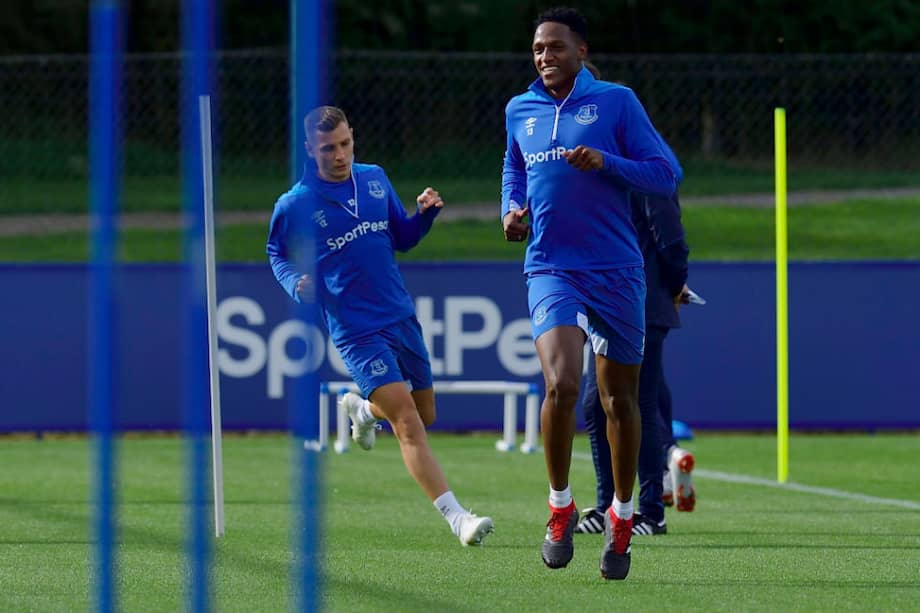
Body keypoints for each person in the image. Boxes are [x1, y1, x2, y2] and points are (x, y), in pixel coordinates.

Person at [501, 7, 676, 580]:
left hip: (617, 270)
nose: (544, 57)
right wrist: (512, 210)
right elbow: (515, 171)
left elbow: (665, 173)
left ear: (581, 51)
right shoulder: (519, 110)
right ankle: (559, 506)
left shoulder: (617, 102)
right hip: (551, 265)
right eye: (537, 49)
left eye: (555, 47)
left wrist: (608, 162)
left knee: (619, 401)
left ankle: (623, 516)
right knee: (561, 384)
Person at [267, 105, 494, 547]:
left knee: (424, 414)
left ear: (354, 136)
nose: (339, 155)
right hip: (355, 329)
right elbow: (276, 252)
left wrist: (425, 215)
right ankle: (457, 518)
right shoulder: (295, 203)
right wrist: (295, 283)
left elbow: (402, 238)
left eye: (345, 144)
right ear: (310, 149)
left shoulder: (374, 178)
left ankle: (362, 410)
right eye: (328, 148)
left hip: (400, 313)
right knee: (408, 419)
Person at [575, 152, 697, 537]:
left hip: (644, 300)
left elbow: (671, 238)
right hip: (605, 300)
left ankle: (649, 511)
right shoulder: (595, 170)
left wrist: (676, 284)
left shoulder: (649, 172)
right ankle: (608, 503)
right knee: (596, 404)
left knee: (636, 403)